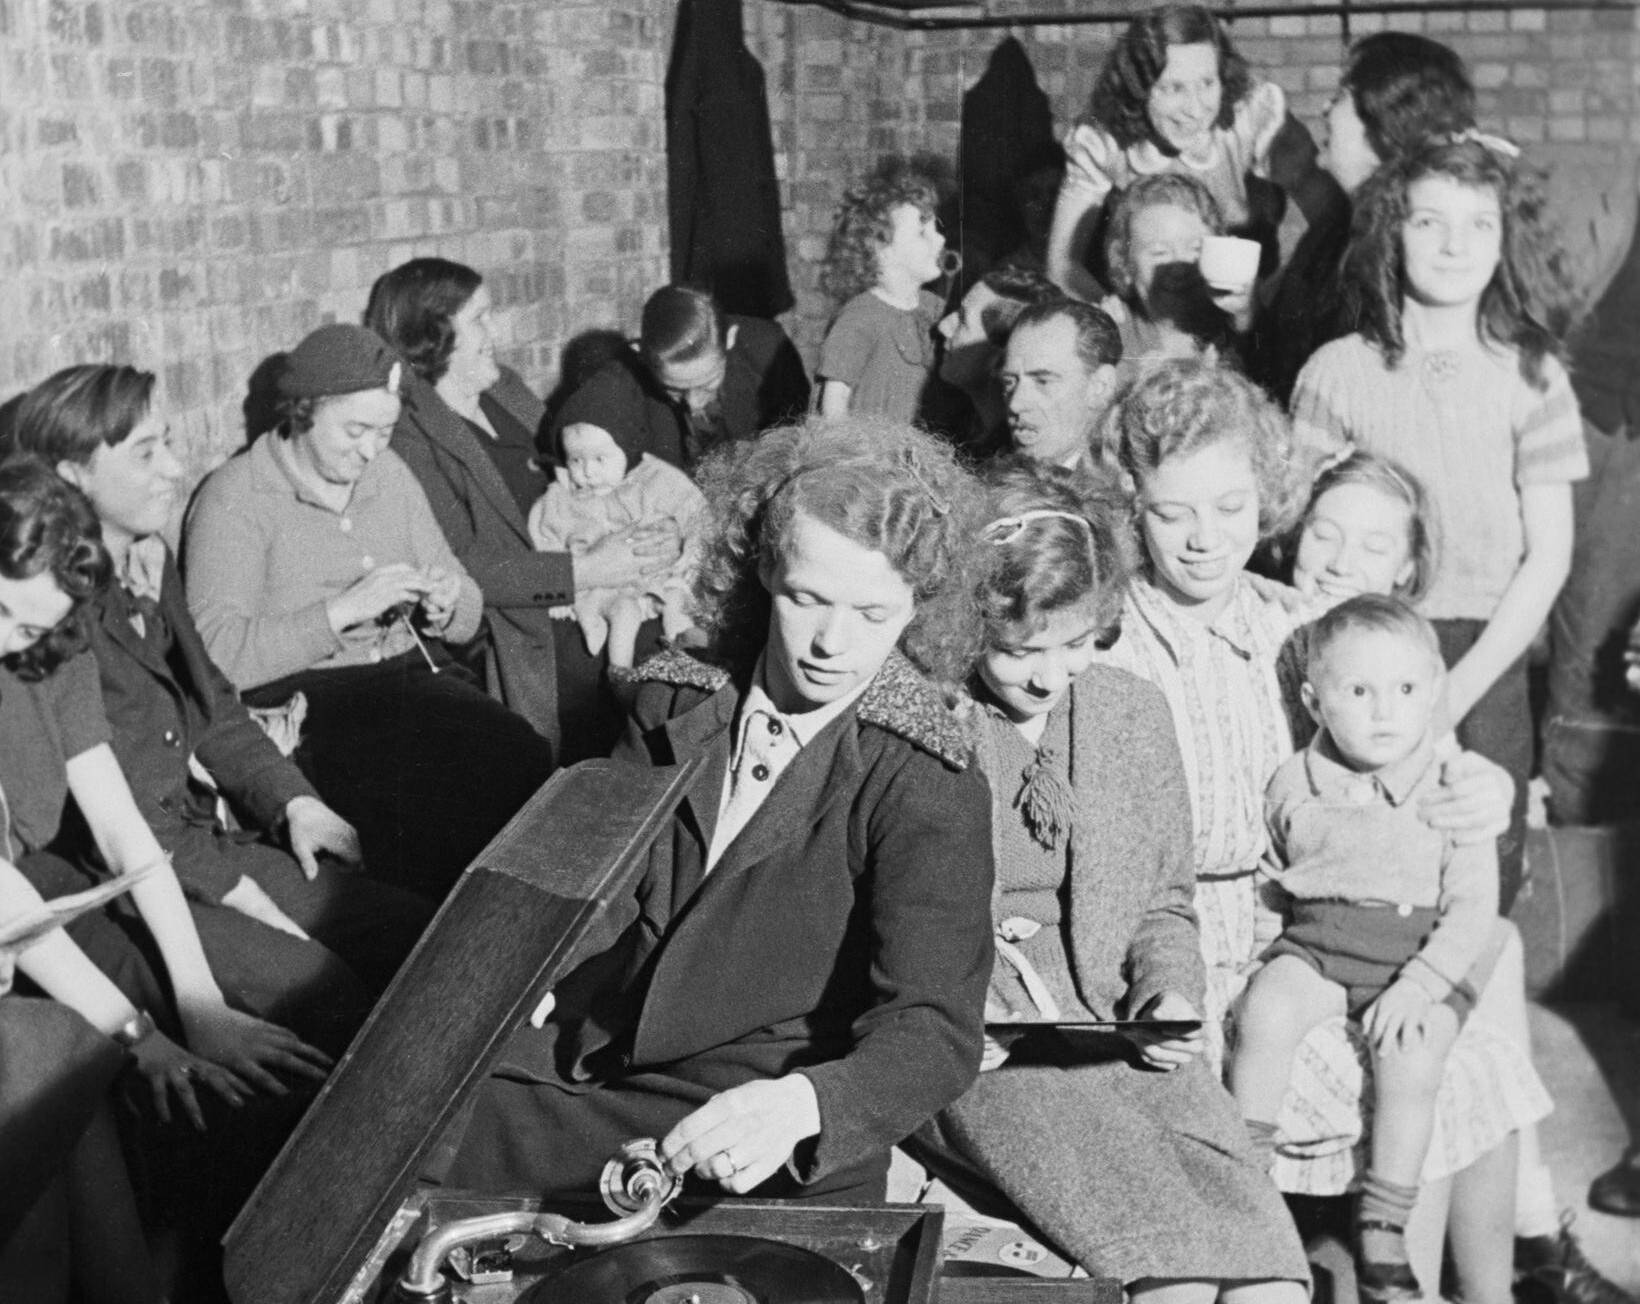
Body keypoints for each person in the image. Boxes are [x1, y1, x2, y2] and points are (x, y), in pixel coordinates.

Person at [431, 415, 995, 1203]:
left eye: (872, 614)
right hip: (604, 1059)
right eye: (807, 599)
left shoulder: (924, 775)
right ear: (762, 572)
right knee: (393, 1121)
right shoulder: (673, 698)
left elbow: (934, 1027)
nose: (832, 642)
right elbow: (602, 882)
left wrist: (806, 1105)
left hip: (760, 1115)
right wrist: (533, 967)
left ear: (917, 608)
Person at [1096, 358, 1541, 1304]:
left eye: (1231, 507)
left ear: (1265, 497)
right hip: (1171, 959)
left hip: (1301, 935)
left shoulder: (1302, 627)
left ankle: (1421, 1276)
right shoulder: (1106, 641)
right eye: (1173, 512)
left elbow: (1418, 739)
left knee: (1471, 1061)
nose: (1205, 538)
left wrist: (1484, 786)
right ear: (1132, 506)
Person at [913, 456, 1311, 1303]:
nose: (1050, 676)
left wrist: (1169, 993)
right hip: (992, 1056)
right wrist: (955, 1018)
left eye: (1077, 644)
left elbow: (1164, 903)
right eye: (1019, 650)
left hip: (1122, 1037)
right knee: (1173, 1286)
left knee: (1273, 1287)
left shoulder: (1130, 711)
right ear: (968, 625)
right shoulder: (929, 719)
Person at [1286, 454, 1634, 1304]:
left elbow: (1444, 796)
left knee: (1492, 951)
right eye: (1324, 534)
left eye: (1372, 547)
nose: (1341, 560)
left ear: (1406, 574)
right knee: (1461, 1015)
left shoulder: (1392, 674)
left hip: (1383, 924)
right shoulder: (1279, 641)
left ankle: (1521, 1254)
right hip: (1321, 937)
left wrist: (1484, 787)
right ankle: (1530, 1243)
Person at [10, 363, 431, 997]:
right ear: (73, 476)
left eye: (168, 443)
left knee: (419, 934)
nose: (174, 468)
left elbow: (211, 700)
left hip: (199, 846)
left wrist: (294, 802)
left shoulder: (146, 559)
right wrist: (235, 887)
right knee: (323, 995)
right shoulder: (51, 611)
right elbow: (114, 823)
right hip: (123, 884)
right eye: (146, 453)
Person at [1290, 134, 1586, 914]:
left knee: (1479, 880)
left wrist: (1456, 691)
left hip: (1484, 657)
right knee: (1363, 870)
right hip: (1362, 644)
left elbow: (1550, 555)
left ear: (1504, 240)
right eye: (1430, 222)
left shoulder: (1533, 375)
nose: (1455, 246)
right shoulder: (1336, 371)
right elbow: (1296, 528)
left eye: (1479, 224)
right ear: (1393, 232)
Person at [184, 323, 554, 899]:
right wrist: (341, 611)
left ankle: (513, 929)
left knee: (520, 755)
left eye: (384, 431)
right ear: (302, 412)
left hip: (407, 678)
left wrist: (449, 601)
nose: (371, 450)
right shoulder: (236, 497)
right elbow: (215, 656)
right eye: (355, 431)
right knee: (412, 797)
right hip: (307, 695)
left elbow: (466, 606)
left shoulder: (389, 474)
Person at [1234, 596, 1497, 1302]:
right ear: (1313, 703)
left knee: (1411, 1054)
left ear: (1434, 691)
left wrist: (1420, 985)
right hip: (1321, 944)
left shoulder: (1453, 786)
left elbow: (1474, 908)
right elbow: (1271, 879)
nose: (1385, 712)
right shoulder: (1294, 782)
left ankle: (1383, 1219)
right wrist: (1262, 953)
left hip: (1421, 954)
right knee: (1265, 1011)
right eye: (1358, 691)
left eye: (1406, 689)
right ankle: (1245, 1177)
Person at [366, 258, 686, 758]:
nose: (495, 331)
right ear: (434, 337)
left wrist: (660, 527)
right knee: (653, 668)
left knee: (692, 633)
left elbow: (591, 463)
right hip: (524, 615)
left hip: (592, 555)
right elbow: (461, 565)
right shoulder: (410, 437)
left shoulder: (505, 388)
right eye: (479, 319)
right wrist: (586, 570)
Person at [1045, 4, 1327, 302]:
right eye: (1173, 88)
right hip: (1146, 316)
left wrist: (1275, 303)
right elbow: (1062, 265)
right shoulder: (1104, 140)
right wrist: (1121, 323)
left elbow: (1331, 219)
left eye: (1207, 83)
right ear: (1138, 86)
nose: (1194, 109)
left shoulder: (1252, 117)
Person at [1250, 33, 1475, 404]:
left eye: (1341, 95)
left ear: (1385, 122)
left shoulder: (1409, 258)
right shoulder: (1342, 226)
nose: (1324, 108)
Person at [529, 378, 708, 666]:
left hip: (659, 580)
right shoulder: (561, 498)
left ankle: (685, 648)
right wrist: (561, 592)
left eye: (600, 459)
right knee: (624, 616)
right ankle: (620, 675)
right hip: (603, 592)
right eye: (576, 460)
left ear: (629, 448)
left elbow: (697, 516)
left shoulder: (655, 479)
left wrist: (688, 562)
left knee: (678, 601)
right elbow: (543, 537)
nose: (587, 471)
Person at [549, 283, 811, 471]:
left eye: (707, 384)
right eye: (674, 390)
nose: (694, 404)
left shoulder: (768, 350)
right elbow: (569, 433)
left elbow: (799, 438)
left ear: (730, 339)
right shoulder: (623, 376)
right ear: (640, 354)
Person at [817, 159, 948, 422]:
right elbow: (833, 407)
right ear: (879, 248)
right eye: (922, 233)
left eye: (936, 230)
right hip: (872, 445)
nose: (940, 239)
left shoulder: (935, 309)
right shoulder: (860, 318)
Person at [1100, 173, 1252, 363]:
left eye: (1196, 248)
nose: (1180, 268)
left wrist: (1245, 321)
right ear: (1125, 266)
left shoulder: (1239, 325)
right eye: (1160, 253)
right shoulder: (1111, 338)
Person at [934, 266, 1061, 456]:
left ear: (1002, 359)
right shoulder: (967, 425)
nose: (943, 326)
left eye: (962, 320)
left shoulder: (1018, 455)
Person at [998, 298, 1123, 469]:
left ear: (1100, 387)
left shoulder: (1125, 480)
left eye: (1042, 381)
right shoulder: (995, 467)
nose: (1015, 404)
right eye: (1009, 382)